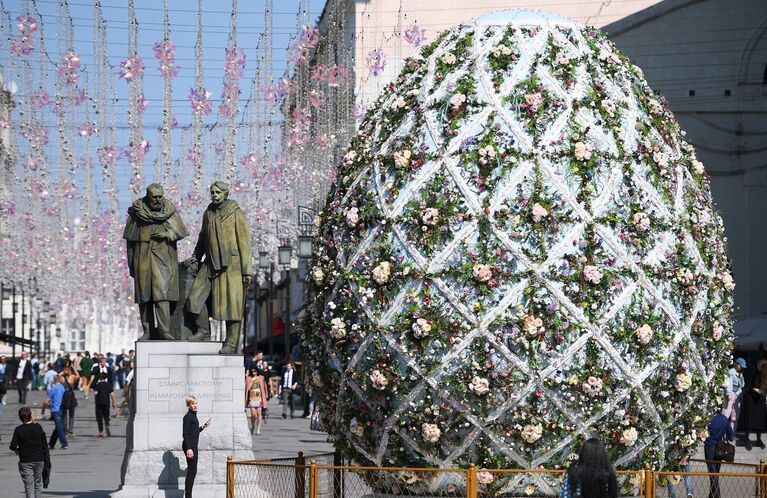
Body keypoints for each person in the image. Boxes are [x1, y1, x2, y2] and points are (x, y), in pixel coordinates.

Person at [186, 181, 253, 353]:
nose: (214, 195)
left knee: (233, 306)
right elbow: (202, 238)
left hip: (232, 265)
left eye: (218, 192)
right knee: (195, 297)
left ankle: (230, 343)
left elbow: (244, 243)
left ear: (226, 194)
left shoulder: (237, 214)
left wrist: (247, 271)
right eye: (212, 192)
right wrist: (195, 256)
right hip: (210, 263)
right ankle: (203, 330)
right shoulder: (208, 214)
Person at [123, 183, 190, 341]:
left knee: (162, 294)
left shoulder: (169, 210)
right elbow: (130, 242)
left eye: (160, 196)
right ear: (148, 196)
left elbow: (180, 231)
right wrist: (131, 263)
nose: (158, 200)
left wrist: (167, 234)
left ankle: (163, 330)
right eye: (155, 197)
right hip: (142, 257)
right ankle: (147, 330)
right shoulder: (136, 213)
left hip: (163, 258)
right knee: (144, 297)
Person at [10, 406, 49, 498]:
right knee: (38, 484)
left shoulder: (18, 429)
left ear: (20, 418)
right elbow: (44, 444)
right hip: (39, 459)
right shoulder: (38, 427)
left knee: (28, 485)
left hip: (25, 459)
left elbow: (12, 446)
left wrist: (17, 450)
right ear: (30, 416)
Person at [182, 395, 211, 498]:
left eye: (195, 403)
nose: (195, 405)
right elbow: (185, 434)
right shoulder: (188, 417)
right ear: (188, 406)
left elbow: (193, 432)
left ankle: (188, 495)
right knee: (192, 472)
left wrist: (203, 427)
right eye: (192, 404)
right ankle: (188, 496)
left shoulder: (193, 415)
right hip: (190, 446)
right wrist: (189, 449)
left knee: (192, 471)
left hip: (192, 445)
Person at [704, 410, 735, 498]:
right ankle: (711, 495)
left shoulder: (707, 419)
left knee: (713, 474)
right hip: (719, 448)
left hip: (709, 447)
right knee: (715, 473)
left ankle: (717, 496)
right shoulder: (723, 419)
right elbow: (731, 436)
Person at [42, 375, 68, 450]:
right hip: (63, 409)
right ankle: (51, 444)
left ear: (55, 380)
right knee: (58, 427)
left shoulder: (53, 389)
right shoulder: (63, 388)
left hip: (55, 410)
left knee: (59, 428)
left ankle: (64, 443)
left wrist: (43, 409)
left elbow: (46, 401)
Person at [92, 372, 116, 437]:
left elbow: (96, 393)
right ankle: (107, 424)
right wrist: (113, 402)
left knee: (99, 418)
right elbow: (112, 394)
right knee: (106, 416)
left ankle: (101, 432)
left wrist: (94, 392)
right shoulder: (108, 385)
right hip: (106, 403)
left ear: (100, 378)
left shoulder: (98, 385)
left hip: (99, 403)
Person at [725, 358, 746, 432]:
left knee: (735, 417)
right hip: (731, 394)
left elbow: (742, 385)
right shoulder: (731, 372)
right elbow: (729, 384)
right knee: (725, 415)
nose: (742, 368)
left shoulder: (739, 373)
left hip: (737, 395)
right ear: (737, 364)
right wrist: (728, 393)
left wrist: (741, 377)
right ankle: (722, 435)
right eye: (741, 366)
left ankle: (731, 434)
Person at [245, 368, 267, 435]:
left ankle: (258, 429)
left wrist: (266, 396)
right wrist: (252, 381)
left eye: (255, 371)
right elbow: (248, 388)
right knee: (253, 415)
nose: (253, 372)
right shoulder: (249, 378)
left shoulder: (261, 378)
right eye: (252, 371)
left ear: (257, 371)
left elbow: (264, 387)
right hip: (252, 398)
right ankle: (253, 425)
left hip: (259, 398)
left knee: (259, 414)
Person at [60, 368, 79, 436]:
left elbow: (78, 376)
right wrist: (62, 373)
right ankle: (65, 429)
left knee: (71, 414)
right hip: (65, 397)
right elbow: (56, 378)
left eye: (68, 370)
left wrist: (74, 368)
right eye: (65, 370)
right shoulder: (62, 378)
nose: (67, 371)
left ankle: (70, 429)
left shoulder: (72, 377)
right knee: (64, 414)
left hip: (70, 397)